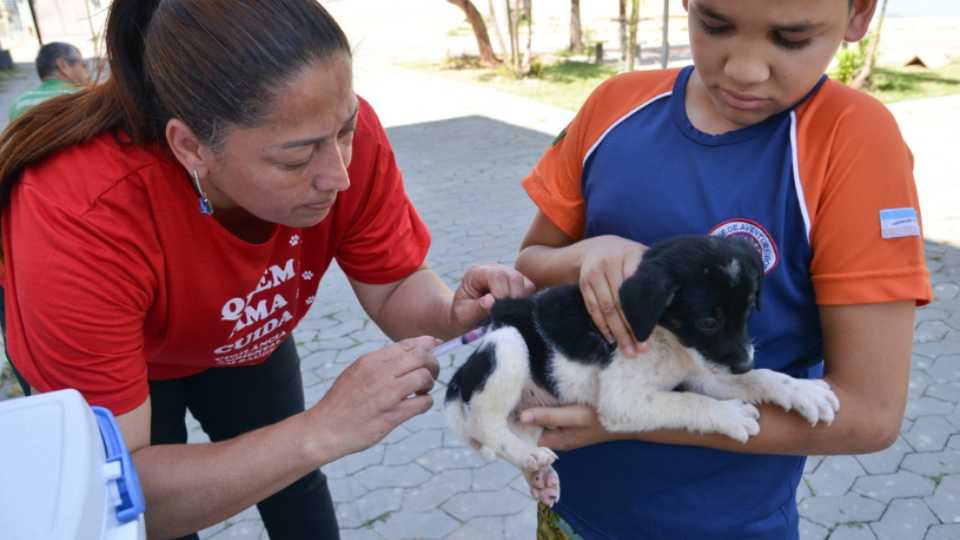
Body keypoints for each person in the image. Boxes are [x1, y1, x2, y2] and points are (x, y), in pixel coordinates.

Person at [0, 1, 533, 539]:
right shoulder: (80, 210)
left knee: (294, 478)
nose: (339, 176)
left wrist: (449, 314)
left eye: (346, 130)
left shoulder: (332, 133)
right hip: (125, 370)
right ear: (191, 147)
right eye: (296, 161)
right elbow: (120, 495)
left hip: (241, 335)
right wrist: (322, 428)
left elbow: (392, 283)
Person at [513, 0, 932, 539]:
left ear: (858, 16)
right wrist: (583, 257)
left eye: (791, 37)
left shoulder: (853, 141)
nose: (744, 69)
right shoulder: (615, 105)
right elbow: (531, 263)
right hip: (571, 508)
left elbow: (869, 415)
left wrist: (628, 416)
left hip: (725, 525)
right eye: (714, 25)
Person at [7, 41, 91, 121]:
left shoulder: (20, 103)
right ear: (63, 65)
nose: (89, 75)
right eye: (83, 65)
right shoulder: (84, 98)